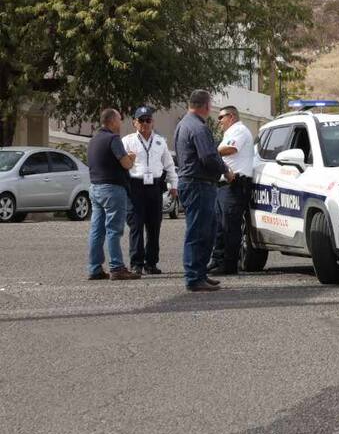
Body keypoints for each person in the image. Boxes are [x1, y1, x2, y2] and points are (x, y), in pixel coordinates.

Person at [174, 90, 232, 292]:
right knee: (199, 232)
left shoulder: (184, 124)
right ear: (206, 106)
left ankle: (199, 273)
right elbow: (208, 156)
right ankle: (194, 277)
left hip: (193, 183)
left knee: (204, 230)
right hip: (198, 184)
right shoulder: (198, 127)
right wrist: (225, 170)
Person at [86, 109, 142, 281]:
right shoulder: (113, 139)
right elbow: (125, 164)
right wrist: (131, 158)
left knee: (97, 230)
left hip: (95, 187)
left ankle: (95, 268)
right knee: (114, 230)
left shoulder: (94, 140)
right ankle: (117, 267)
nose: (121, 121)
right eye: (119, 119)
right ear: (112, 121)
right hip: (112, 189)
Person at [122, 106, 178, 275]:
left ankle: (151, 263)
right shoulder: (127, 141)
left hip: (155, 186)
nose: (145, 123)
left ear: (153, 122)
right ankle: (136, 263)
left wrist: (174, 185)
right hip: (135, 186)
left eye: (148, 120)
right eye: (141, 120)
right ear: (134, 122)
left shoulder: (160, 141)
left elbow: (169, 165)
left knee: (154, 226)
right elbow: (121, 165)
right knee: (136, 225)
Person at [209, 105, 254, 275]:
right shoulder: (230, 133)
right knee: (220, 226)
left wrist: (210, 151)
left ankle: (229, 265)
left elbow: (230, 149)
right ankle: (217, 260)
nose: (219, 121)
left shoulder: (239, 130)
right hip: (224, 185)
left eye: (221, 117)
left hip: (235, 185)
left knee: (230, 226)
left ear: (232, 116)